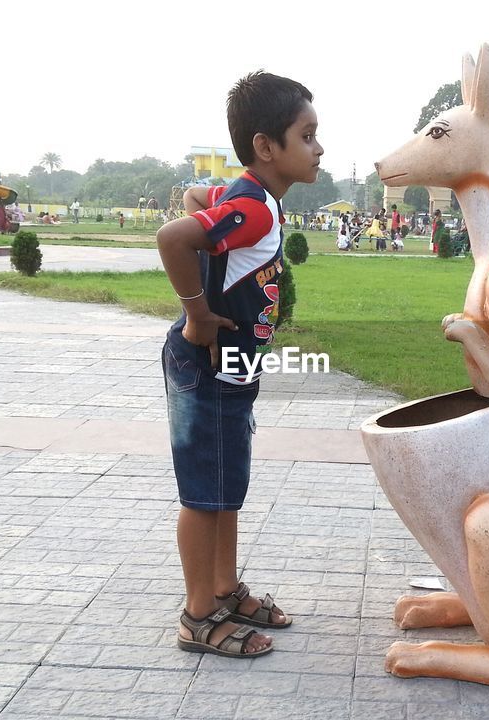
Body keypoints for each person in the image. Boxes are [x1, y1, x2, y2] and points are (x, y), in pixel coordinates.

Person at [154, 70, 321, 660]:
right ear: (265, 146)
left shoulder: (251, 201)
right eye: (307, 135)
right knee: (205, 493)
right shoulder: (255, 210)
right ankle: (199, 616)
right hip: (206, 361)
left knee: (225, 486)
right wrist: (197, 313)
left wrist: (215, 203)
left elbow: (200, 200)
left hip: (231, 366)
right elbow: (175, 237)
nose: (319, 148)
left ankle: (223, 589)